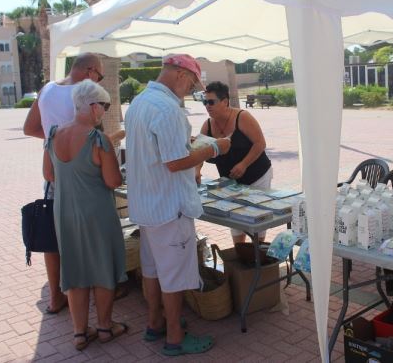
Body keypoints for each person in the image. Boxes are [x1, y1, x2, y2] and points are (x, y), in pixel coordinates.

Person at [125, 54, 230, 356]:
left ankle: (155, 322)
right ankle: (174, 338)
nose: (190, 90)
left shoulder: (140, 103)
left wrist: (190, 146)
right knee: (172, 276)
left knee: (152, 270)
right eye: (192, 84)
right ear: (182, 75)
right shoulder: (167, 109)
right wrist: (213, 147)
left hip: (148, 205)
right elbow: (175, 163)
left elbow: (163, 153)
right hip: (169, 207)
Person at [43, 80, 128, 351]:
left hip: (65, 211)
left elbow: (49, 174)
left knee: (74, 269)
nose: (104, 111)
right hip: (97, 212)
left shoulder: (54, 134)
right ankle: (104, 326)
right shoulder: (97, 138)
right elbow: (113, 180)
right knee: (103, 267)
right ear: (92, 106)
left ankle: (80, 333)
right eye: (103, 106)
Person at [23, 52, 107, 315]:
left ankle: (56, 298)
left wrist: (53, 142)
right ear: (90, 71)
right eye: (100, 76)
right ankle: (90, 294)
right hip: (81, 177)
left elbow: (29, 128)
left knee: (53, 236)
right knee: (86, 237)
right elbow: (92, 133)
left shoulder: (46, 89)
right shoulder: (85, 95)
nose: (99, 81)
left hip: (52, 173)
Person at [198, 81, 273, 244]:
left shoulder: (242, 117)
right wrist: (197, 170)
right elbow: (199, 150)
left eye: (211, 102)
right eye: (205, 102)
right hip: (231, 182)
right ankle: (240, 253)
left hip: (257, 176)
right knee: (235, 219)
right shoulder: (208, 124)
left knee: (256, 218)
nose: (207, 106)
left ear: (224, 101)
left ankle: (257, 255)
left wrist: (244, 164)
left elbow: (260, 143)